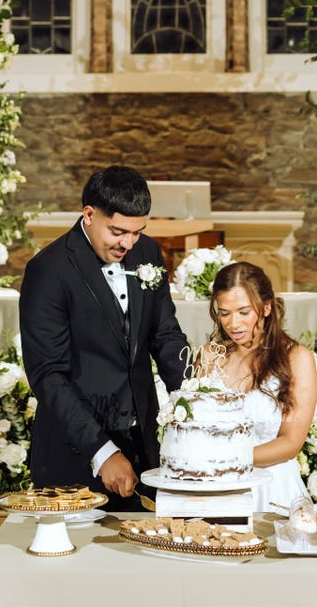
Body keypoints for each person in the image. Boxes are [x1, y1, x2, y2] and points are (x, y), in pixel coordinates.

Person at [19, 165, 189, 510]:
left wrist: (196, 401)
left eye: (137, 232)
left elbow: (165, 335)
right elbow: (48, 375)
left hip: (142, 448)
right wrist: (103, 451)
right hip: (75, 452)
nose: (128, 243)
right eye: (118, 231)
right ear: (89, 215)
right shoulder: (48, 270)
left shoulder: (148, 253)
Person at [203, 261, 317, 512]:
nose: (233, 324)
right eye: (225, 313)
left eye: (244, 312)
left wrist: (227, 459)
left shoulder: (297, 359)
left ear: (266, 307)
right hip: (214, 487)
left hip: (272, 488)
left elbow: (291, 442)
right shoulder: (210, 356)